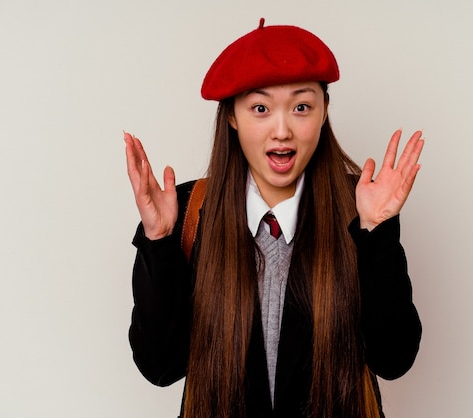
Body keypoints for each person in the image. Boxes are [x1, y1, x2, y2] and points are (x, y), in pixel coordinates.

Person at [125, 18, 423, 418]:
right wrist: (159, 240)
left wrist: (376, 232)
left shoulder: (360, 207)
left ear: (324, 112)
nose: (281, 130)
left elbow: (394, 359)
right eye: (260, 108)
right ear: (232, 116)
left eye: (301, 107)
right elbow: (160, 366)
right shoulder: (187, 210)